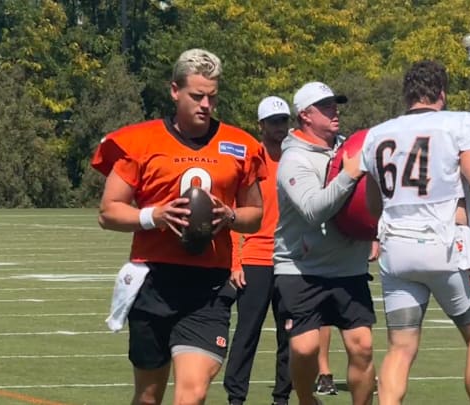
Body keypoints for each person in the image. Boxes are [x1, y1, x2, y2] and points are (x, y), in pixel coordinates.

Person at [92, 48, 266, 405]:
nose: (205, 105)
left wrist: (228, 217)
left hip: (209, 286)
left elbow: (255, 215)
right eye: (197, 96)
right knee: (148, 396)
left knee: (193, 392)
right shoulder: (140, 141)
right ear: (175, 91)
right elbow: (108, 212)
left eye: (212, 97)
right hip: (154, 280)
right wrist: (153, 216)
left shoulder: (241, 145)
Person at [360, 60, 470, 405]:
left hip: (396, 250)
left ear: (406, 95)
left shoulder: (377, 135)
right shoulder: (459, 123)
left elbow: (374, 206)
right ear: (442, 94)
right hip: (449, 248)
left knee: (400, 348)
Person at [274, 81, 377, 405]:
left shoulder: (349, 148)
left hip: (348, 267)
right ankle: (306, 399)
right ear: (305, 115)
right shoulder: (293, 160)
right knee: (304, 348)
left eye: (336, 104)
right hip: (301, 268)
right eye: (327, 106)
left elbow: (374, 196)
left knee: (362, 345)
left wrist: (373, 231)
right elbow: (312, 210)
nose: (336, 111)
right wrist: (348, 175)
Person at [223, 96, 293, 405]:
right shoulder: (249, 159)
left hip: (291, 259)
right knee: (247, 332)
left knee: (290, 334)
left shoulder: (296, 157)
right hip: (255, 257)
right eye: (274, 121)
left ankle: (282, 398)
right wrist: (235, 261)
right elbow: (230, 213)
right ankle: (236, 398)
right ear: (261, 125)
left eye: (284, 120)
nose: (281, 127)